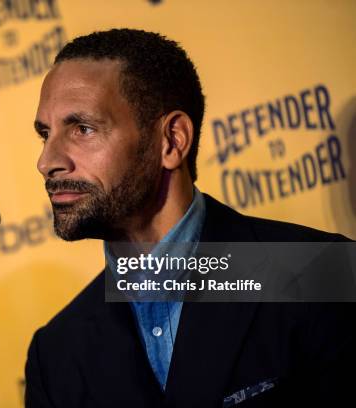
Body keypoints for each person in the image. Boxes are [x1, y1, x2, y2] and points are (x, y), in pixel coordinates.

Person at [24, 28, 356, 407]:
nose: (47, 162)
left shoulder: (323, 276)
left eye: (82, 129)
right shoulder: (54, 356)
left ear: (172, 141)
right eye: (45, 134)